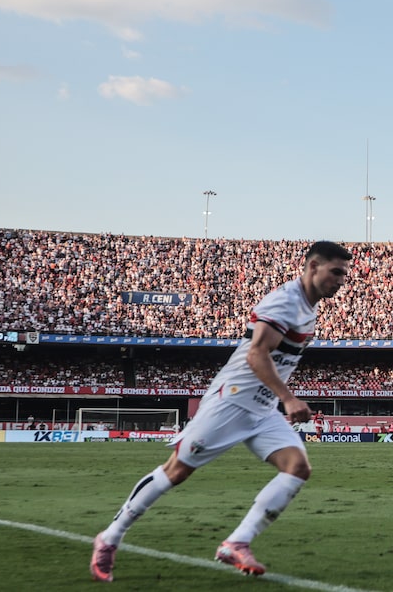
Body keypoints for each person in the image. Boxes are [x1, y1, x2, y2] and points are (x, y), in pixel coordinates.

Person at [90, 241, 352, 582]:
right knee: (177, 471)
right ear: (313, 266)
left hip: (261, 408)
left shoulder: (307, 308)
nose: (341, 280)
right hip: (232, 402)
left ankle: (237, 542)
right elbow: (256, 355)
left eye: (344, 274)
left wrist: (278, 400)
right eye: (336, 272)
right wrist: (288, 398)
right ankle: (110, 538)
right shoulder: (284, 302)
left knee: (297, 467)